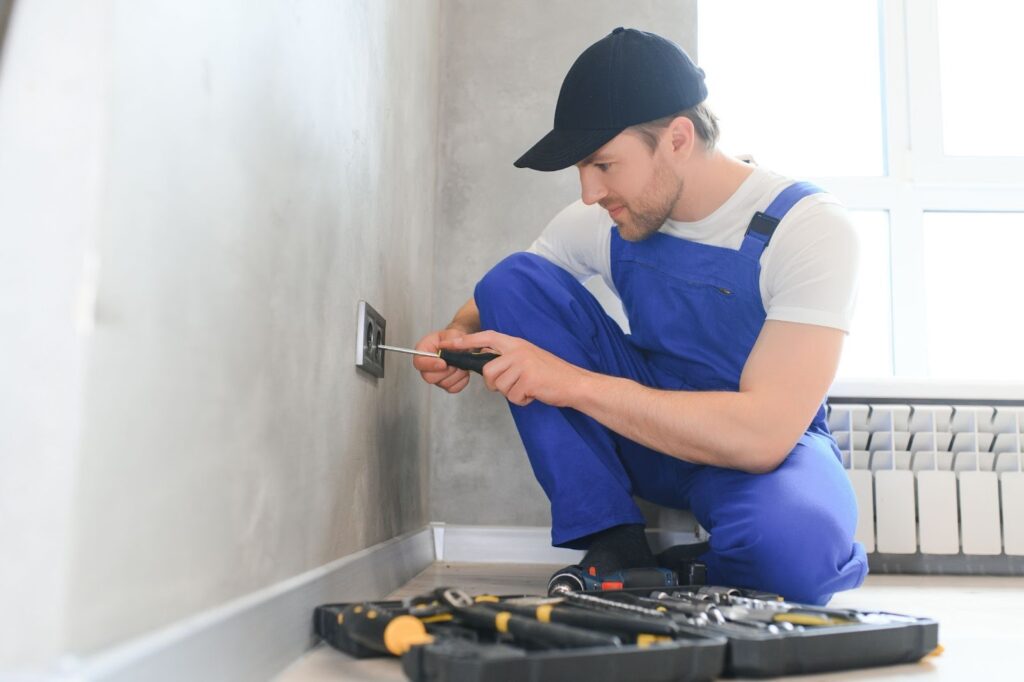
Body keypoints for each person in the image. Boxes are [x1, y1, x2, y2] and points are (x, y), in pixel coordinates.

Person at [413, 27, 867, 605]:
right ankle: (613, 542)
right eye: (583, 168)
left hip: (760, 450)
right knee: (513, 277)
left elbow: (762, 436)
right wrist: (457, 340)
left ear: (677, 138)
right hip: (645, 434)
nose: (587, 192)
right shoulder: (606, 220)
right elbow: (498, 302)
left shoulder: (808, 229)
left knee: (797, 552)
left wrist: (570, 382)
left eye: (603, 164)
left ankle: (680, 572)